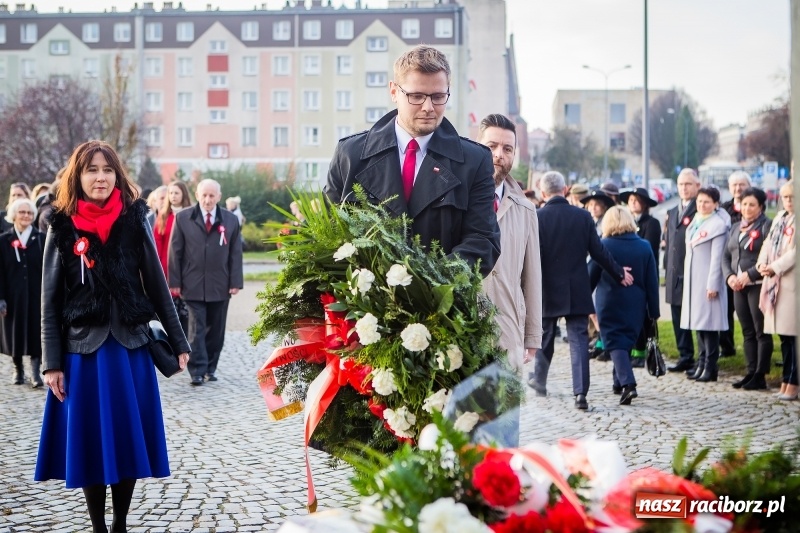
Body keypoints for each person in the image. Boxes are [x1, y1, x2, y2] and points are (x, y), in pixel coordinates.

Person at [34, 140, 190, 533]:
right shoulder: (61, 224)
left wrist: (180, 342)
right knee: (89, 441)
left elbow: (156, 284)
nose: (100, 177)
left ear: (117, 175)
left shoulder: (136, 218)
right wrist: (51, 363)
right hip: (82, 353)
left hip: (130, 349)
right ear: (78, 176)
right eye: (91, 170)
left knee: (127, 437)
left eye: (107, 170)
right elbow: (49, 300)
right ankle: (98, 525)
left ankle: (120, 522)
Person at [324, 45, 500, 277]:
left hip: (441, 307)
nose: (428, 108)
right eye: (416, 96)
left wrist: (426, 285)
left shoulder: (474, 161)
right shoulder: (350, 155)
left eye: (438, 97)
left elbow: (482, 241)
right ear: (394, 92)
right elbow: (328, 236)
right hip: (363, 307)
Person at [529, 171, 633, 410]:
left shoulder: (537, 217)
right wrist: (619, 273)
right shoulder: (583, 217)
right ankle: (580, 395)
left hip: (547, 287)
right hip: (577, 286)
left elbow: (531, 256)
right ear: (565, 190)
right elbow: (599, 253)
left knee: (545, 337)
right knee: (578, 340)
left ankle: (540, 381)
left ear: (543, 193)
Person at [477, 113, 542, 372]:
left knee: (506, 411)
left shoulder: (525, 209)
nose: (498, 155)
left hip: (508, 330)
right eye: (491, 146)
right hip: (463, 328)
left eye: (507, 148)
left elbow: (532, 275)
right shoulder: (457, 199)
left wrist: (533, 335)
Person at [169, 179, 243, 386]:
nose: (208, 200)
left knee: (216, 329)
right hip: (191, 284)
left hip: (220, 284)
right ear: (197, 195)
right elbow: (175, 251)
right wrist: (174, 281)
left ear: (219, 197)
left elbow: (236, 253)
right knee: (196, 328)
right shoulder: (183, 218)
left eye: (212, 196)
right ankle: (197, 371)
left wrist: (235, 281)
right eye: (204, 195)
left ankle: (211, 367)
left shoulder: (230, 220)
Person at [589, 207, 660, 405]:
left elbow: (590, 276)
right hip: (636, 304)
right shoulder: (644, 246)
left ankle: (629, 384)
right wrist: (653, 311)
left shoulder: (603, 245)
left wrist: (584, 300)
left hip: (609, 302)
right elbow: (652, 282)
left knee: (614, 342)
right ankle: (617, 382)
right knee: (624, 341)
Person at [723, 187, 772, 390]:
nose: (747, 208)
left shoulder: (767, 225)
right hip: (738, 286)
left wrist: (750, 274)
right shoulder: (736, 227)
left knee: (761, 331)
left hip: (757, 285)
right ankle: (750, 372)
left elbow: (770, 256)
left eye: (752, 204)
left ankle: (761, 374)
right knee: (747, 331)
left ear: (760, 206)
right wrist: (730, 276)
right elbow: (726, 256)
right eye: (744, 204)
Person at [680, 186, 731, 382]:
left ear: (715, 204)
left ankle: (711, 367)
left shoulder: (718, 225)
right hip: (695, 280)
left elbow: (718, 258)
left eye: (707, 202)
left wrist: (713, 285)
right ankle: (701, 364)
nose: (702, 205)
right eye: (700, 201)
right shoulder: (697, 221)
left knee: (710, 327)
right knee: (699, 326)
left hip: (708, 282)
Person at [757, 179, 796, 400]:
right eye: (785, 197)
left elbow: (794, 252)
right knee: (784, 337)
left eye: (792, 197)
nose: (789, 201)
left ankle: (794, 382)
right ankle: (786, 380)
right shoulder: (780, 218)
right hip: (775, 284)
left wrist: (775, 267)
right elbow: (768, 243)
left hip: (790, 284)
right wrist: (762, 264)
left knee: (793, 337)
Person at [0, 198, 45, 387]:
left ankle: (36, 373)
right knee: (14, 331)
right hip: (13, 294)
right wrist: (1, 297)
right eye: (22, 212)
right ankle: (18, 369)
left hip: (37, 294)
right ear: (14, 215)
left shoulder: (41, 238)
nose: (26, 216)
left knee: (37, 331)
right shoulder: (4, 240)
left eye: (29, 213)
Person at [664, 168, 700, 372]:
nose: (684, 188)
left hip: (692, 271)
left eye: (688, 184)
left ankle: (700, 358)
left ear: (697, 186)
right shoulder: (672, 211)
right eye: (681, 184)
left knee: (696, 317)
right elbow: (669, 243)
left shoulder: (700, 208)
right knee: (677, 315)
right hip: (674, 271)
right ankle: (685, 355)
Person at [620, 187, 661, 368]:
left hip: (644, 274)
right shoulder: (626, 222)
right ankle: (631, 349)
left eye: (637, 200)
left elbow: (648, 249)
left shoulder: (651, 223)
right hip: (628, 274)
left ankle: (641, 351)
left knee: (644, 315)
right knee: (629, 314)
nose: (633, 203)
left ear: (644, 204)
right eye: (630, 200)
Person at [154, 180, 193, 336]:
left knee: (188, 312)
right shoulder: (163, 216)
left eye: (176, 193)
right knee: (171, 311)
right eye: (170, 193)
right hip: (167, 267)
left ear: (183, 194)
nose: (173, 196)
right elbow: (157, 243)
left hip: (188, 268)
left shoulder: (191, 215)